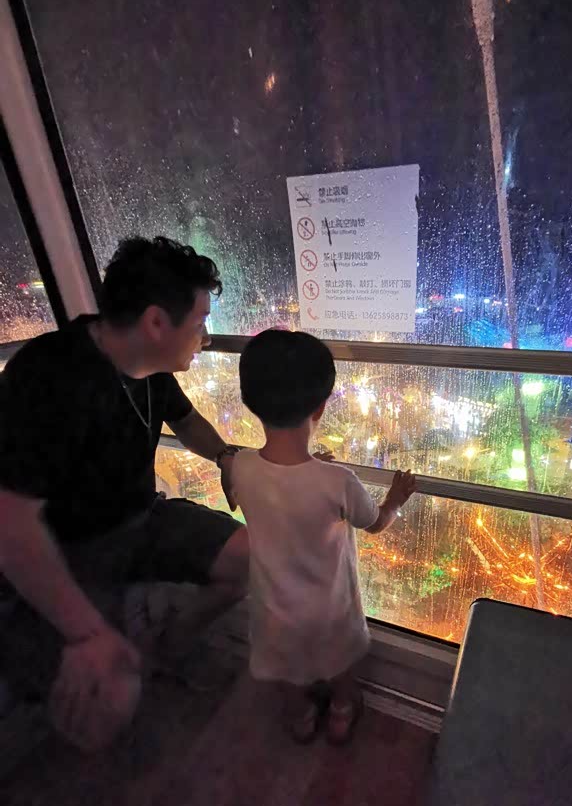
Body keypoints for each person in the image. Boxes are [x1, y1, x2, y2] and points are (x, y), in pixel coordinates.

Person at [0, 236, 248, 752]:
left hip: (141, 518)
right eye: (200, 322)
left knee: (251, 556)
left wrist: (226, 457)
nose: (205, 339)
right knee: (105, 709)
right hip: (70, 549)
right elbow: (12, 524)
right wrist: (87, 633)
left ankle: (166, 652)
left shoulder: (147, 364)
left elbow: (186, 421)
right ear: (156, 322)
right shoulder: (50, 378)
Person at [230, 329, 415, 744]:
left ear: (249, 401)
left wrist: (309, 465)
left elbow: (277, 498)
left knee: (286, 670)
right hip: (329, 610)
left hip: (273, 607)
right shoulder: (337, 481)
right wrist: (395, 500)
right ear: (321, 406)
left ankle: (301, 717)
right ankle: (341, 712)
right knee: (339, 666)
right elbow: (375, 523)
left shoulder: (240, 466)